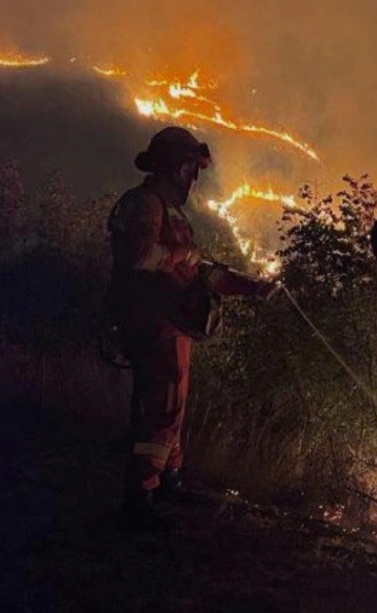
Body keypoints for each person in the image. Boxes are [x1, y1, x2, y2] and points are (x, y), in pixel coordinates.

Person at [106, 126, 276, 530]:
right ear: (177, 167)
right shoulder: (145, 205)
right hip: (153, 321)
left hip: (170, 322)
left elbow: (196, 272)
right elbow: (140, 255)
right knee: (162, 408)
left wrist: (250, 287)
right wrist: (184, 254)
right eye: (190, 169)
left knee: (171, 405)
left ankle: (169, 480)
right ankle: (142, 495)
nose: (194, 179)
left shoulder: (168, 211)